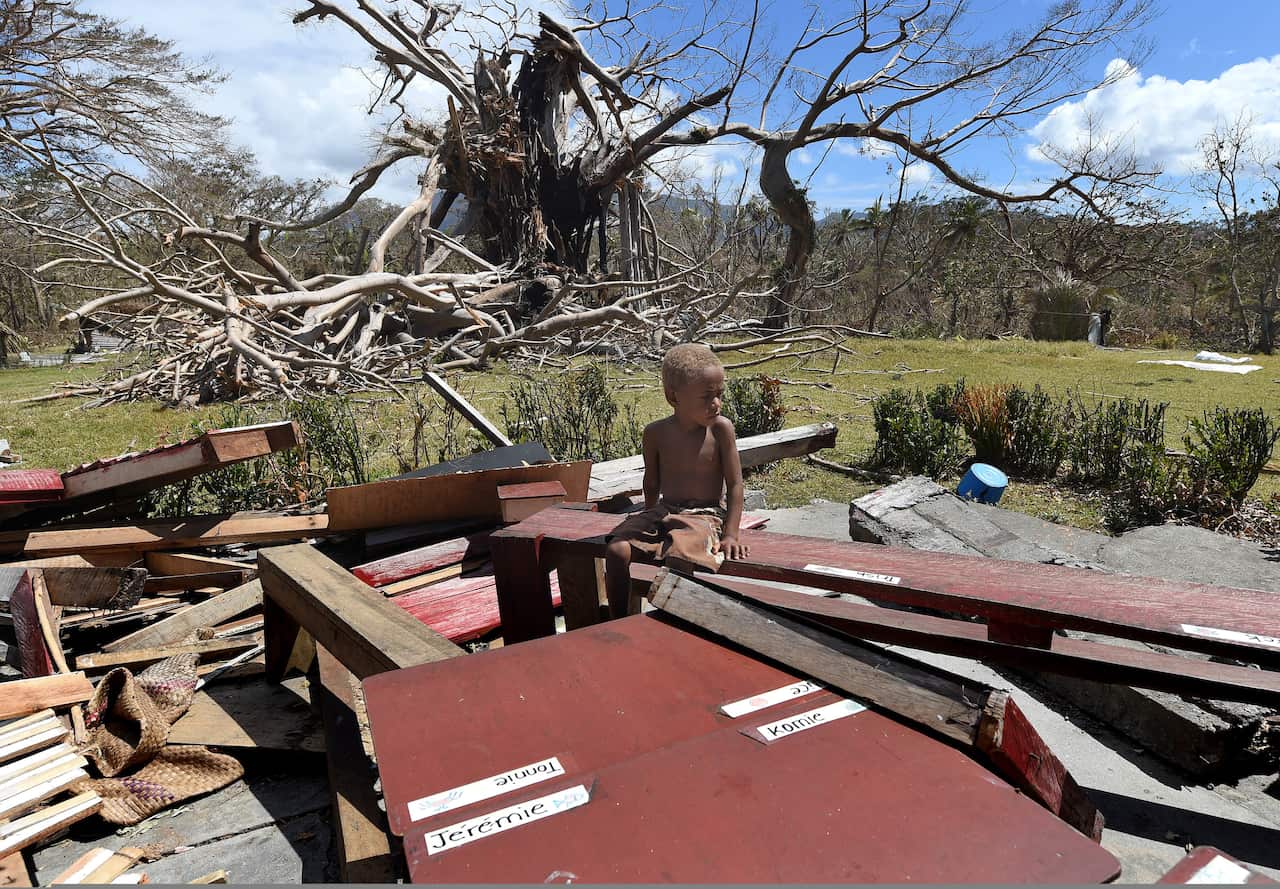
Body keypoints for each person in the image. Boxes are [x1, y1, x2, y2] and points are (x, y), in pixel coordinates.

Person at [603, 343, 749, 617]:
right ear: (674, 397)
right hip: (665, 509)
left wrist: (731, 533)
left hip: (705, 516)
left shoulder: (720, 430)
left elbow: (736, 484)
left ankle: (677, 623)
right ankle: (618, 620)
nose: (716, 404)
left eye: (719, 395)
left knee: (680, 556)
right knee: (617, 549)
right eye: (706, 397)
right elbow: (652, 480)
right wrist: (647, 514)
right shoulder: (656, 433)